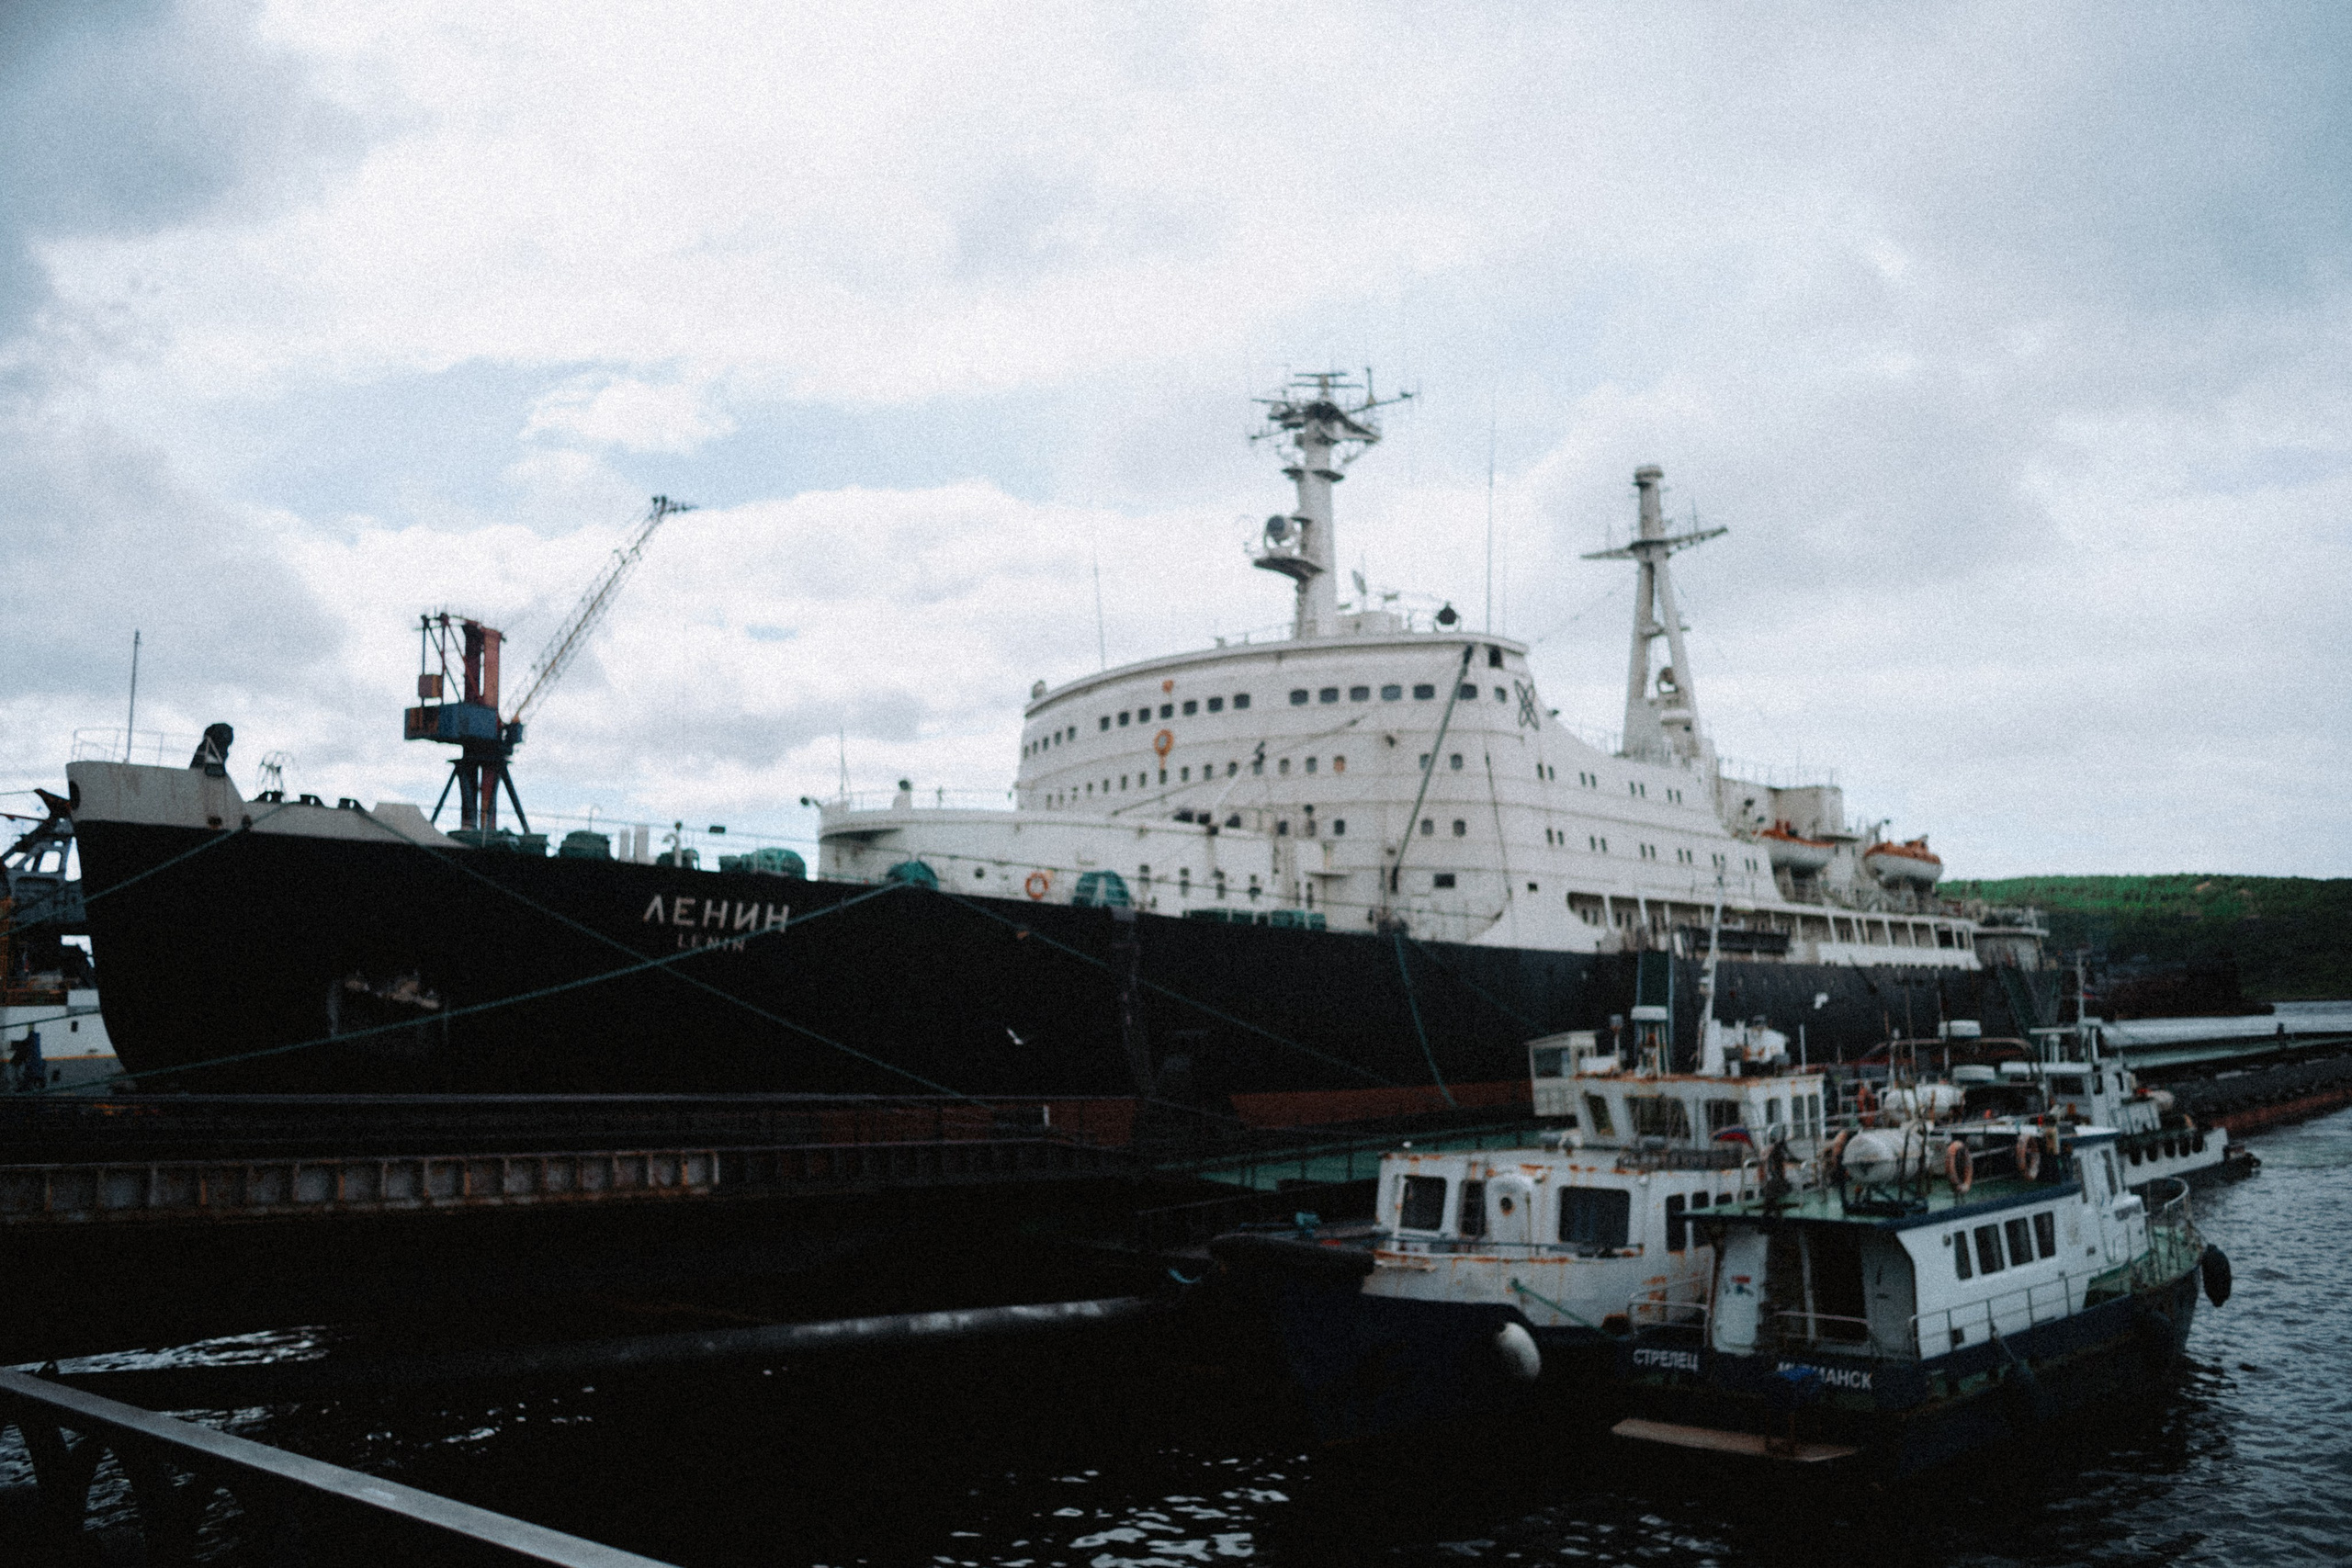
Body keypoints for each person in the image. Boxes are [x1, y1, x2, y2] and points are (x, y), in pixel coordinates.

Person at [9, 1027, 41, 1094]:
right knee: (18, 1075)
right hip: (19, 1062)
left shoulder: (25, 1045)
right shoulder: (30, 1046)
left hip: (17, 1062)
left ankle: (18, 1088)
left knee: (17, 1076)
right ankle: (21, 1088)